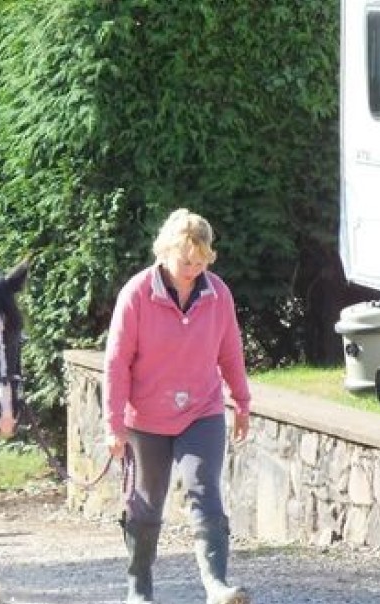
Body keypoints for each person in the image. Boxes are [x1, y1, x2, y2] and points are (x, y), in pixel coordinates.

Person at [103, 208, 251, 604]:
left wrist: (241, 399)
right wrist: (113, 424)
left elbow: (230, 351)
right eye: (187, 260)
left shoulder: (217, 294)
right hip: (146, 418)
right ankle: (139, 588)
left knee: (205, 490)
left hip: (201, 411)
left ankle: (216, 584)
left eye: (201, 260)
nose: (194, 268)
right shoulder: (137, 293)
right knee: (146, 506)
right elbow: (116, 362)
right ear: (166, 251)